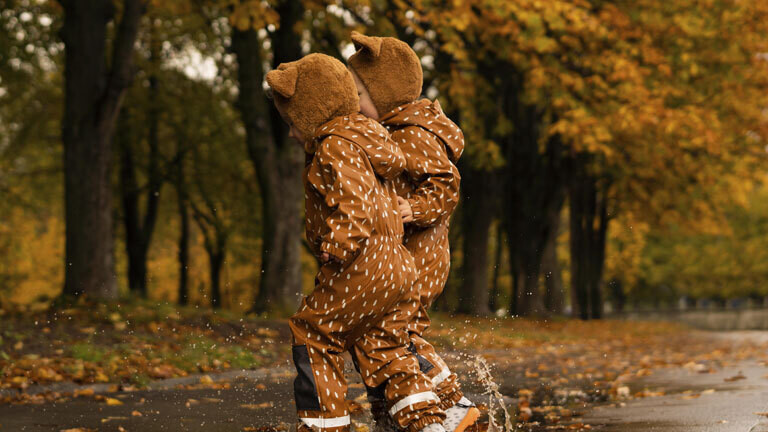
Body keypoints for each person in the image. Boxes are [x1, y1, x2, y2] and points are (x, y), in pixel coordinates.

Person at [266, 53, 447, 432]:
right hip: (396, 266)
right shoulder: (371, 141)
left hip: (364, 263)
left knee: (313, 332)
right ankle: (429, 422)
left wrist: (339, 243)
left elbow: (355, 200)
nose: (292, 134)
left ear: (314, 110)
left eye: (294, 122)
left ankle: (325, 425)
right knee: (383, 345)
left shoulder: (336, 145)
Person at [347, 33, 479, 432]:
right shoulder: (387, 131)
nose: (353, 102)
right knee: (381, 332)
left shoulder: (411, 133)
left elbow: (446, 183)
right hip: (401, 256)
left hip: (421, 255)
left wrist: (415, 208)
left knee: (391, 334)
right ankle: (403, 410)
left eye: (358, 94)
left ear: (384, 92)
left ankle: (450, 408)